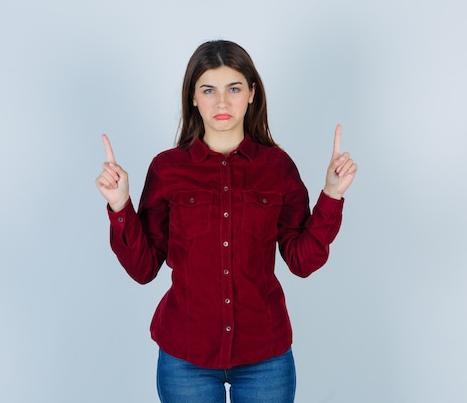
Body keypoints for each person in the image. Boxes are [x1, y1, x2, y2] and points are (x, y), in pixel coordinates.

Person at [95, 40, 357, 403]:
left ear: (251, 93)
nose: (221, 102)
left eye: (233, 88)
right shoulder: (167, 169)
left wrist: (331, 195)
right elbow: (143, 269)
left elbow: (302, 260)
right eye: (208, 90)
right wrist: (120, 205)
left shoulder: (277, 168)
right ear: (193, 98)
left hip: (265, 355)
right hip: (186, 356)